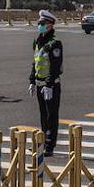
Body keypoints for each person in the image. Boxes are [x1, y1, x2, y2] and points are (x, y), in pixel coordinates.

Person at [29, 10, 63, 155]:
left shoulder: (54, 44)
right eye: (39, 24)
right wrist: (32, 80)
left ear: (50, 25)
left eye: (42, 24)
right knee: (43, 116)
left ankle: (50, 146)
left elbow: (55, 66)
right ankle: (42, 142)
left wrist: (49, 84)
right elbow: (35, 62)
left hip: (51, 85)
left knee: (51, 116)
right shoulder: (38, 42)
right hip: (40, 84)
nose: (40, 26)